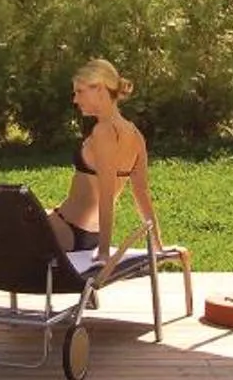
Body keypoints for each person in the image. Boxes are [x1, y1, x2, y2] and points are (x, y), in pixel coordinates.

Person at [49, 57, 156, 263]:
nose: (75, 99)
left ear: (99, 89)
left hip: (66, 229)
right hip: (91, 235)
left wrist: (105, 251)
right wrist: (158, 245)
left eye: (80, 91)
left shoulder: (103, 132)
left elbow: (106, 193)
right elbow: (141, 193)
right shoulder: (135, 134)